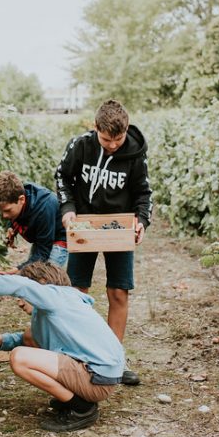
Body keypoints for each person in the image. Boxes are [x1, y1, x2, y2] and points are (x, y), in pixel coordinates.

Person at [55, 99, 152, 386]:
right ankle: (77, 356)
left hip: (118, 227)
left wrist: (141, 221)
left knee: (119, 292)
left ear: (125, 131)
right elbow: (62, 178)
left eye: (118, 140)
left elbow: (143, 193)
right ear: (95, 128)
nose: (112, 146)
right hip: (84, 224)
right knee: (77, 291)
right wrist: (68, 208)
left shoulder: (135, 155)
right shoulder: (80, 146)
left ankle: (113, 360)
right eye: (106, 139)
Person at [0, 262, 125, 432]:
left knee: (19, 358)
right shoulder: (60, 306)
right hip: (100, 376)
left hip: (97, 379)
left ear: (42, 283)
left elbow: (21, 286)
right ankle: (76, 398)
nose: (20, 303)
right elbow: (30, 338)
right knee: (26, 345)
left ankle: (82, 409)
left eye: (24, 297)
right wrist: (0, 340)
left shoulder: (56, 297)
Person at [0, 170, 68, 272]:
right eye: (1, 211)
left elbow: (42, 253)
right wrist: (11, 228)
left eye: (8, 210)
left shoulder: (44, 208)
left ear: (22, 199)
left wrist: (18, 269)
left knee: (47, 278)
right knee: (31, 273)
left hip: (58, 241)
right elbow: (13, 214)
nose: (4, 215)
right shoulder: (17, 195)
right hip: (41, 239)